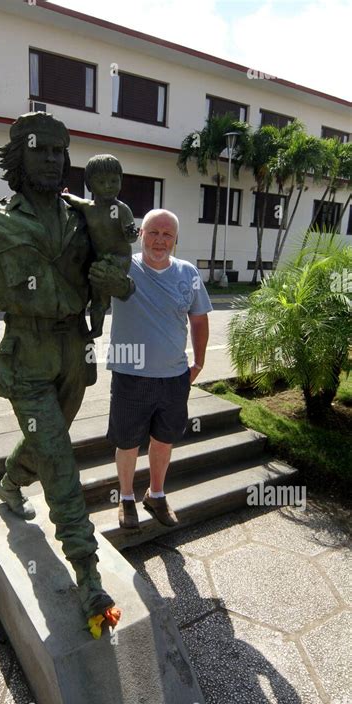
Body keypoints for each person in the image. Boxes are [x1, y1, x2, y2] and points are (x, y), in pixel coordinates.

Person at [0, 112, 134, 623]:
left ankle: (9, 481)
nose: (52, 159)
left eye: (58, 151)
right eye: (40, 149)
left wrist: (117, 281)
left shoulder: (86, 217)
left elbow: (117, 270)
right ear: (18, 156)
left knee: (47, 442)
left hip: (75, 351)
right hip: (24, 354)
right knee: (58, 454)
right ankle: (87, 573)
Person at [106, 208, 213, 529]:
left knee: (164, 440)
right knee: (127, 442)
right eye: (153, 232)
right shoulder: (123, 266)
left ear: (176, 240)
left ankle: (156, 494)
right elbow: (93, 239)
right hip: (130, 375)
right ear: (141, 234)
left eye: (167, 234)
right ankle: (126, 498)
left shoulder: (188, 273)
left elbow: (199, 319)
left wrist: (199, 362)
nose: (159, 239)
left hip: (173, 378)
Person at [62, 154, 138, 339]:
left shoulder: (121, 209)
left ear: (121, 181)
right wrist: (62, 194)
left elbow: (130, 238)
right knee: (97, 297)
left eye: (114, 181)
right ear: (89, 185)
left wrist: (131, 234)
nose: (108, 186)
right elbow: (72, 199)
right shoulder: (88, 207)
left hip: (119, 260)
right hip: (99, 259)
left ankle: (98, 319)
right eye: (101, 181)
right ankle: (96, 328)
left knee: (101, 289)